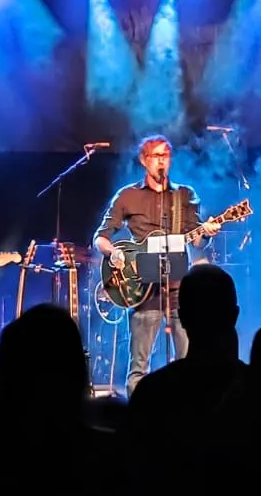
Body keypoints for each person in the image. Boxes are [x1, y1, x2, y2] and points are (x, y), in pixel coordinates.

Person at [94, 134, 220, 395]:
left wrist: (206, 232)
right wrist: (114, 254)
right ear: (144, 160)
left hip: (179, 292)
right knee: (139, 369)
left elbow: (196, 241)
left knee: (189, 365)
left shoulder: (184, 195)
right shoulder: (128, 196)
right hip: (142, 292)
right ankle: (137, 414)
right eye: (156, 156)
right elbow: (101, 237)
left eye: (166, 156)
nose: (161, 161)